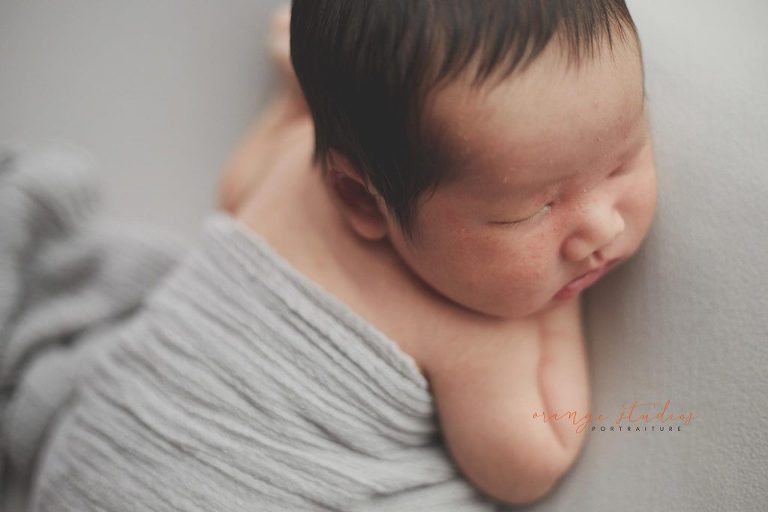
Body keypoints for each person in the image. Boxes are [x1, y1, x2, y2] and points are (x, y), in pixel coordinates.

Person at [0, 1, 657, 510]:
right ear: (362, 200)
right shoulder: (475, 321)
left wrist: (293, 101)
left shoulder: (295, 156)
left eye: (622, 158)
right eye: (532, 210)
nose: (600, 226)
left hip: (86, 466)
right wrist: (553, 306)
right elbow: (530, 461)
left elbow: (232, 196)